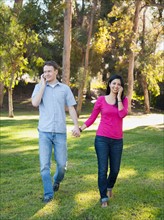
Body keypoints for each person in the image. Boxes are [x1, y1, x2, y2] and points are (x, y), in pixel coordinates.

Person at [31, 60, 80, 203]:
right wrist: (42, 85)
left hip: (60, 132)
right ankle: (48, 193)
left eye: (49, 71)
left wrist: (76, 125)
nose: (46, 74)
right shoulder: (39, 87)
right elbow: (35, 103)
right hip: (44, 132)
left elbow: (71, 107)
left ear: (56, 72)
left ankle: (57, 180)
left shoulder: (64, 89)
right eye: (44, 71)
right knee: (44, 165)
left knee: (61, 165)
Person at [79, 74, 128, 208]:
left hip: (117, 140)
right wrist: (80, 128)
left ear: (121, 87)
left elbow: (122, 114)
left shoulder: (124, 101)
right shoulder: (101, 100)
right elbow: (92, 117)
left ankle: (110, 186)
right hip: (102, 139)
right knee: (102, 169)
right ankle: (103, 197)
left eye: (118, 84)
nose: (116, 86)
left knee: (115, 170)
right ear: (109, 84)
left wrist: (118, 98)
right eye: (113, 83)